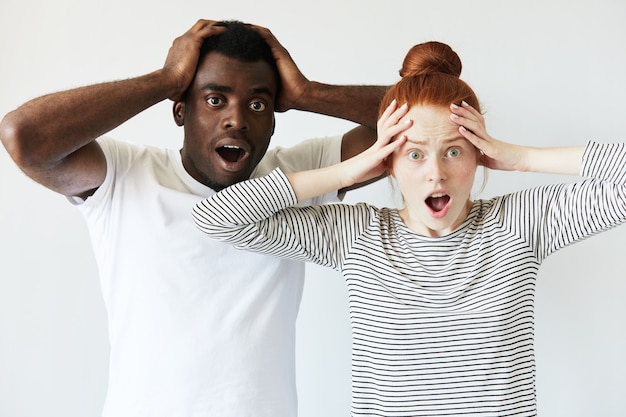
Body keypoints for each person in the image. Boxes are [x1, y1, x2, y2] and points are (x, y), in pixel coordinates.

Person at [192, 40, 626, 416]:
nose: (435, 174)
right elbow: (216, 217)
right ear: (390, 164)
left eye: (454, 152)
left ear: (479, 155)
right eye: (414, 154)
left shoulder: (520, 225)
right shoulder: (358, 237)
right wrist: (350, 170)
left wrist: (520, 156)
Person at [0, 19, 389, 417]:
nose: (236, 119)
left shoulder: (298, 176)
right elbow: (22, 136)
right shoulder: (125, 175)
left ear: (273, 119)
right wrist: (165, 79)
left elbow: (434, 119)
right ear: (180, 111)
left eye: (257, 104)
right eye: (215, 99)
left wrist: (309, 93)